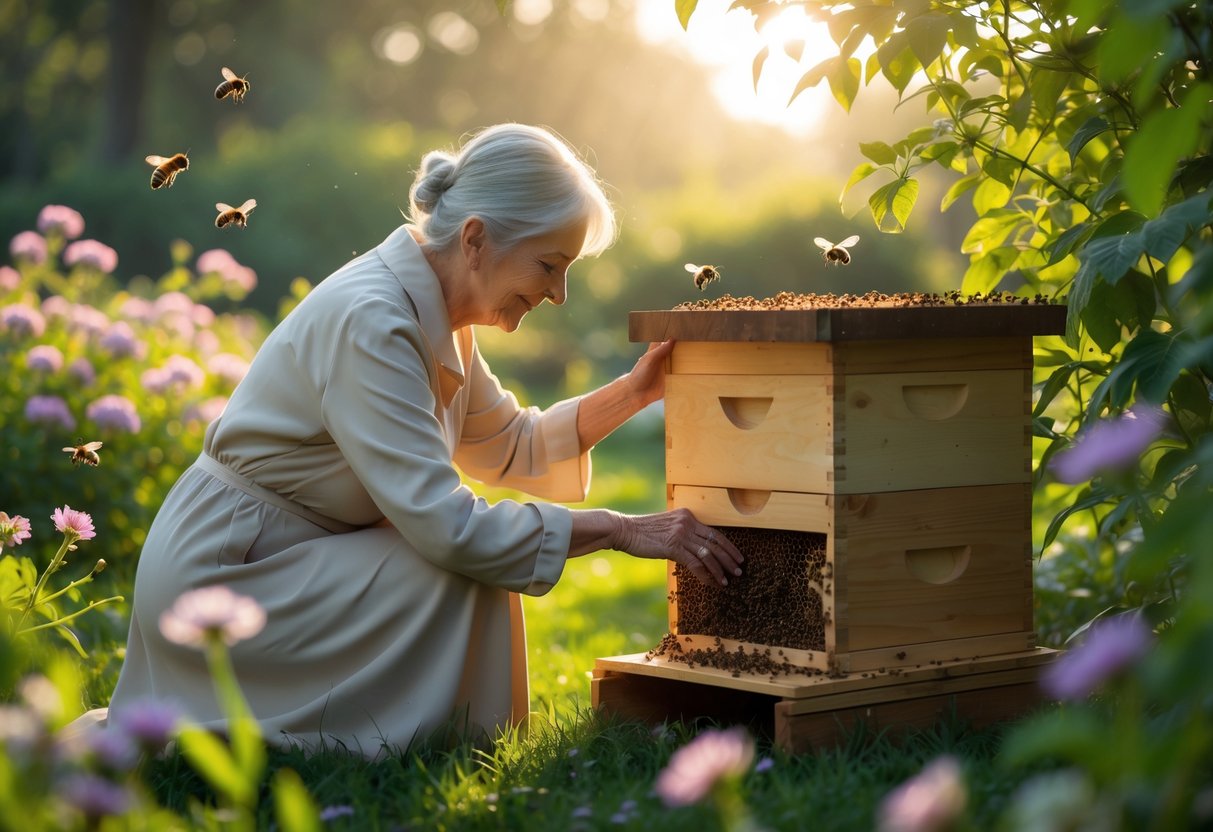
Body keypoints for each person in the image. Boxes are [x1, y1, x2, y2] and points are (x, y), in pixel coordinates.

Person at [108, 123, 744, 756]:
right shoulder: (376, 321)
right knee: (463, 565)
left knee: (475, 560)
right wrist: (621, 529)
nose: (558, 293)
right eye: (550, 265)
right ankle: (415, 747)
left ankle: (441, 746)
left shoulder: (437, 314)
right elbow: (448, 527)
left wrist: (633, 394)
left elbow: (512, 442)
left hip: (289, 555)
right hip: (232, 570)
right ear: (476, 240)